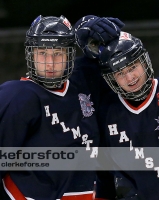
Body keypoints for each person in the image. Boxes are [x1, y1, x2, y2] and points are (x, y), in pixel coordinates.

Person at [0, 14, 124, 200]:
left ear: (69, 55)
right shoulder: (18, 96)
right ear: (31, 55)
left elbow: (126, 73)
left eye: (57, 53)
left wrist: (98, 43)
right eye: (42, 53)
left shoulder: (83, 81)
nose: (50, 63)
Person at [75, 27, 159, 199]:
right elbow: (105, 177)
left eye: (133, 67)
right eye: (120, 73)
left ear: (145, 61)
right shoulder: (106, 112)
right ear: (111, 79)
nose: (130, 78)